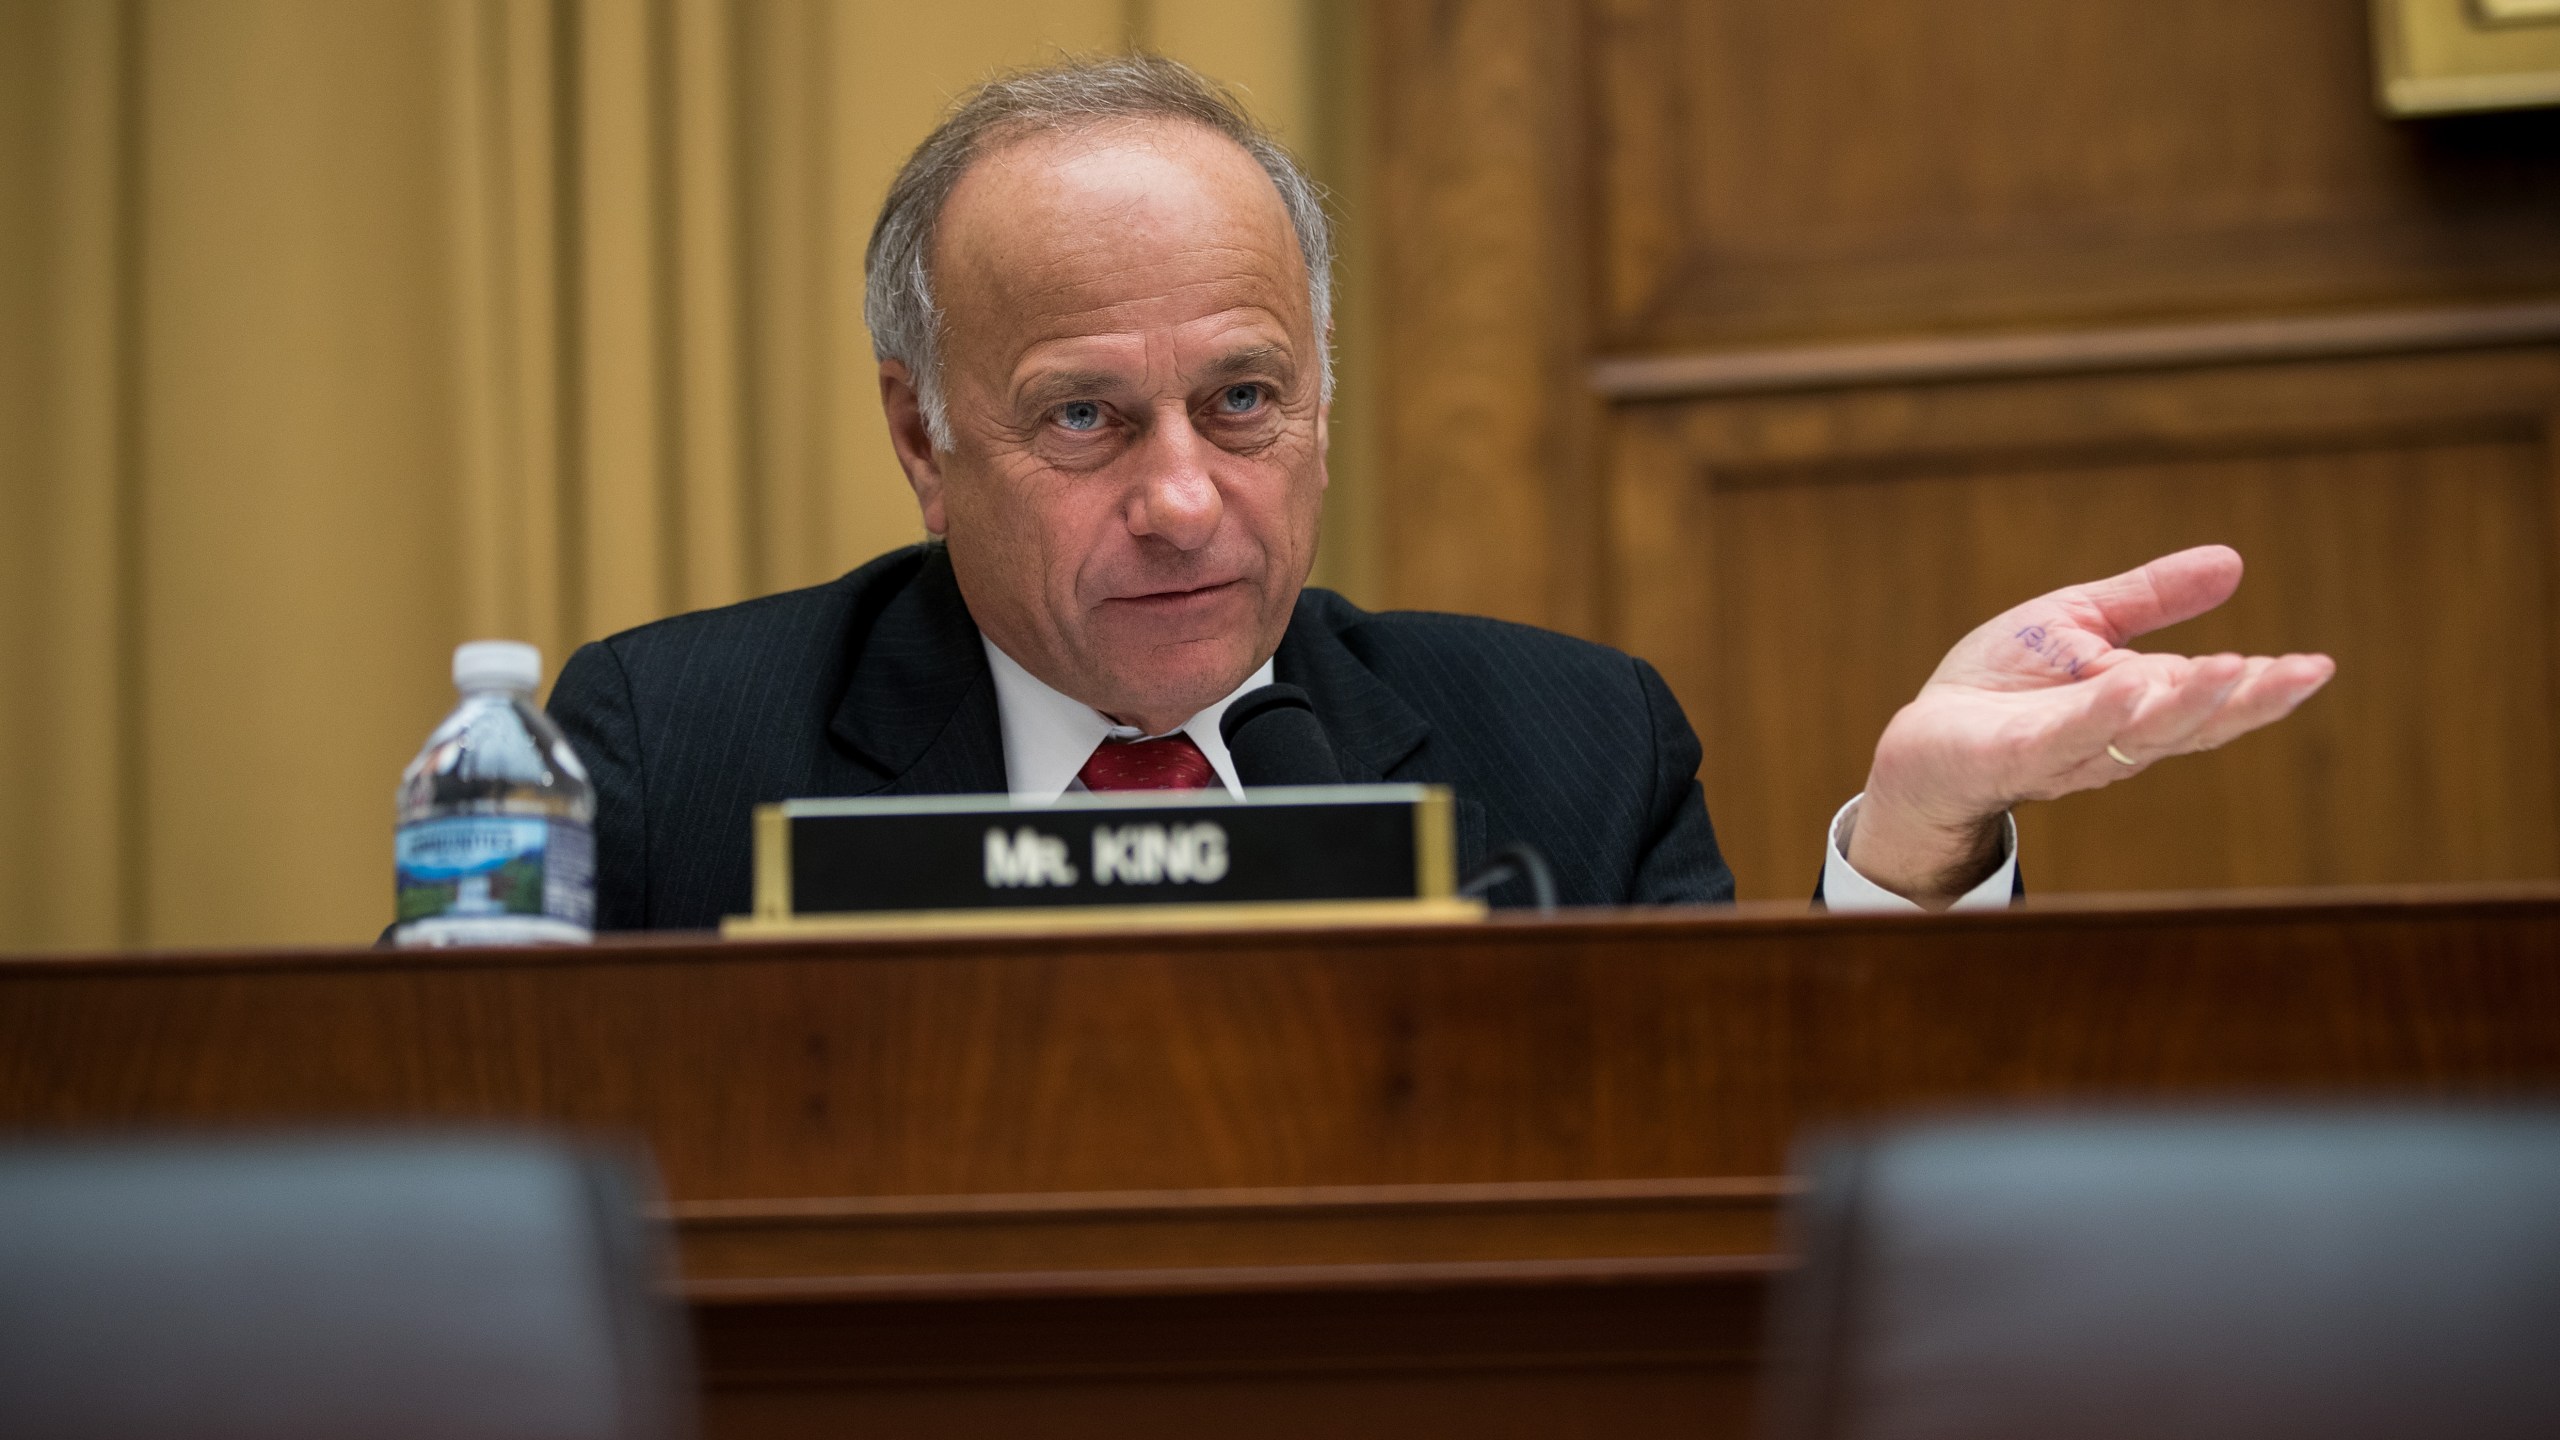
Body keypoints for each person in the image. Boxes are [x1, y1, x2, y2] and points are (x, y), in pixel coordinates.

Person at [549, 55, 2333, 931]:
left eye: (1242, 400)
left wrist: (1912, 849)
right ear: (923, 441)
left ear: (1325, 399)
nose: (1184, 501)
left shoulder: (1565, 753)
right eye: (1086, 420)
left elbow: (1762, 1191)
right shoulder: (673, 752)